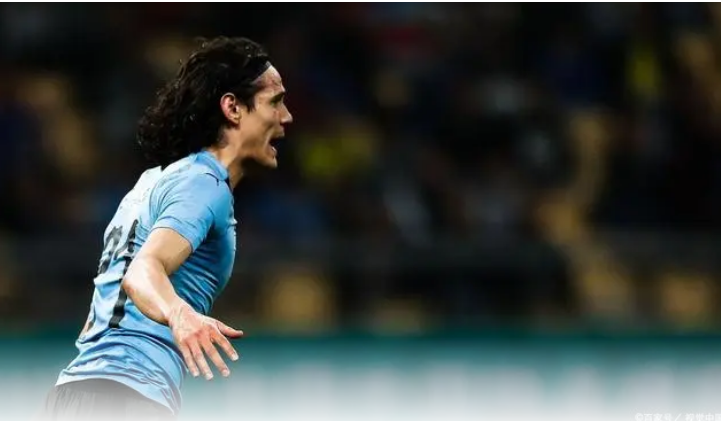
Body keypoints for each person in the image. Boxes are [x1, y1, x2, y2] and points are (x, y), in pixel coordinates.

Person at [40, 36, 293, 421]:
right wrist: (179, 314)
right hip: (126, 394)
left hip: (75, 392)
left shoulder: (151, 182)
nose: (286, 117)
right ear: (232, 108)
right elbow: (142, 270)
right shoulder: (204, 185)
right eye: (275, 102)